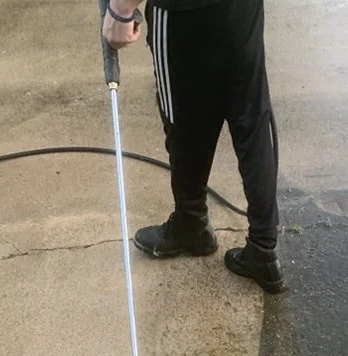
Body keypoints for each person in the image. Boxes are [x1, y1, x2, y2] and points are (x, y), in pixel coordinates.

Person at [102, 0, 286, 294]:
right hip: (242, 9)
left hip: (183, 12)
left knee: (182, 119)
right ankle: (263, 249)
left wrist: (121, 9)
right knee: (251, 118)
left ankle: (191, 224)